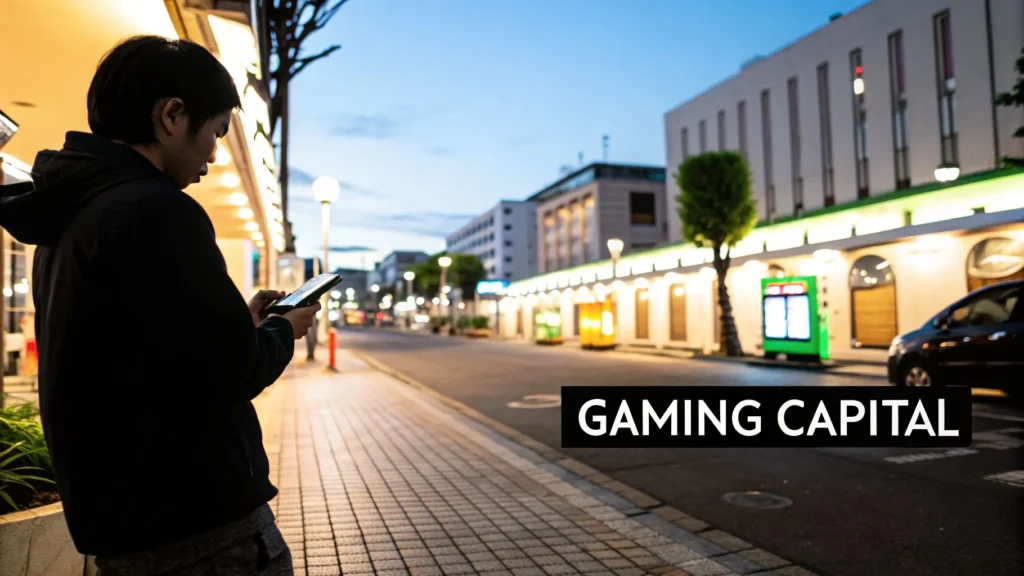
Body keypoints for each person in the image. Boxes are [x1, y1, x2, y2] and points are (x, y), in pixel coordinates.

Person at [0, 36, 316, 575]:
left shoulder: (66, 219)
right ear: (172, 115)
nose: (213, 156)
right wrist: (284, 328)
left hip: (122, 525)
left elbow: (144, 355)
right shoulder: (158, 211)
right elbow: (232, 372)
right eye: (216, 133)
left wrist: (240, 322)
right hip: (197, 524)